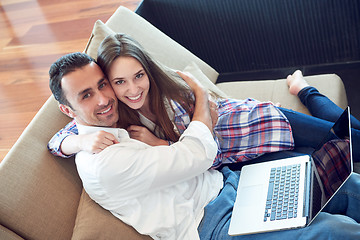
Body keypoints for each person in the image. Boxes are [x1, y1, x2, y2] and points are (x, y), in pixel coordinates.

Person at [48, 52, 360, 239]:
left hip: (232, 178)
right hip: (210, 221)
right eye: (86, 95)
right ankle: (308, 93)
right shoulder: (103, 163)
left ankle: (308, 94)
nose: (104, 99)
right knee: (335, 231)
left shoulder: (106, 120)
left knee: (350, 186)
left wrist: (74, 139)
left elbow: (58, 139)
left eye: (103, 85)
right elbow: (197, 154)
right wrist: (199, 94)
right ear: (68, 110)